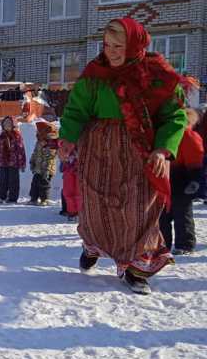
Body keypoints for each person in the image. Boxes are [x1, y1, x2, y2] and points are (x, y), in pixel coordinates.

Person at [59, 17, 188, 294]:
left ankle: (136, 267)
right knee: (96, 203)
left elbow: (174, 116)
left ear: (135, 45)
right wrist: (68, 136)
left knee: (138, 208)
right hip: (99, 148)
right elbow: (76, 109)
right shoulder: (95, 74)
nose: (112, 51)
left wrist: (164, 150)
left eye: (119, 45)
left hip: (140, 151)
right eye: (107, 45)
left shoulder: (158, 76)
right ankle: (92, 244)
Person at [159, 108, 204, 255]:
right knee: (162, 215)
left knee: (182, 214)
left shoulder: (187, 135)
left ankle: (185, 244)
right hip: (163, 177)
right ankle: (162, 244)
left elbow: (196, 159)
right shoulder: (160, 133)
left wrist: (195, 179)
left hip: (182, 179)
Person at [0, 116, 26, 204]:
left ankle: (12, 198)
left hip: (14, 163)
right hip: (2, 163)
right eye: (5, 123)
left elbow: (21, 151)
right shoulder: (1, 137)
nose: (7, 125)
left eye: (9, 123)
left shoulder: (17, 137)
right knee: (3, 181)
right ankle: (1, 197)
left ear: (13, 125)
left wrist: (22, 163)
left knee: (13, 181)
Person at [28, 121, 58, 206]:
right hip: (38, 168)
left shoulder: (51, 144)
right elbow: (35, 153)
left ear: (43, 132)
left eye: (38, 131)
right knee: (34, 183)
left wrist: (47, 170)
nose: (37, 133)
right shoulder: (39, 142)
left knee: (44, 184)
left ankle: (44, 199)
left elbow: (50, 158)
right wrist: (32, 161)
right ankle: (33, 198)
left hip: (46, 169)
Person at [61, 147, 81, 222]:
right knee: (67, 193)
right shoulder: (65, 140)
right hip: (68, 168)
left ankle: (79, 213)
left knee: (78, 193)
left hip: (79, 168)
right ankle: (72, 213)